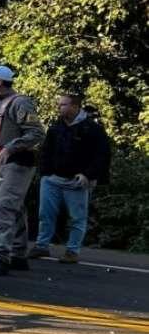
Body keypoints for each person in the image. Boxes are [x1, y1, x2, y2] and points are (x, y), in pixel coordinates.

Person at [0, 65, 45, 276]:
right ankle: (18, 254)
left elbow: (36, 133)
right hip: (1, 162)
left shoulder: (20, 102)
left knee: (5, 206)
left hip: (18, 161)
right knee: (14, 207)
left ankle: (0, 256)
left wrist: (12, 146)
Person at [31, 92, 110, 264]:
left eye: (63, 104)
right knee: (46, 214)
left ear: (75, 106)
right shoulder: (56, 127)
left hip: (77, 180)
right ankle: (41, 245)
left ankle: (72, 250)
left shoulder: (92, 128)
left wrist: (88, 174)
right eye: (59, 104)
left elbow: (102, 155)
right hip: (53, 178)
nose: (59, 107)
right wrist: (45, 173)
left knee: (77, 217)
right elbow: (46, 151)